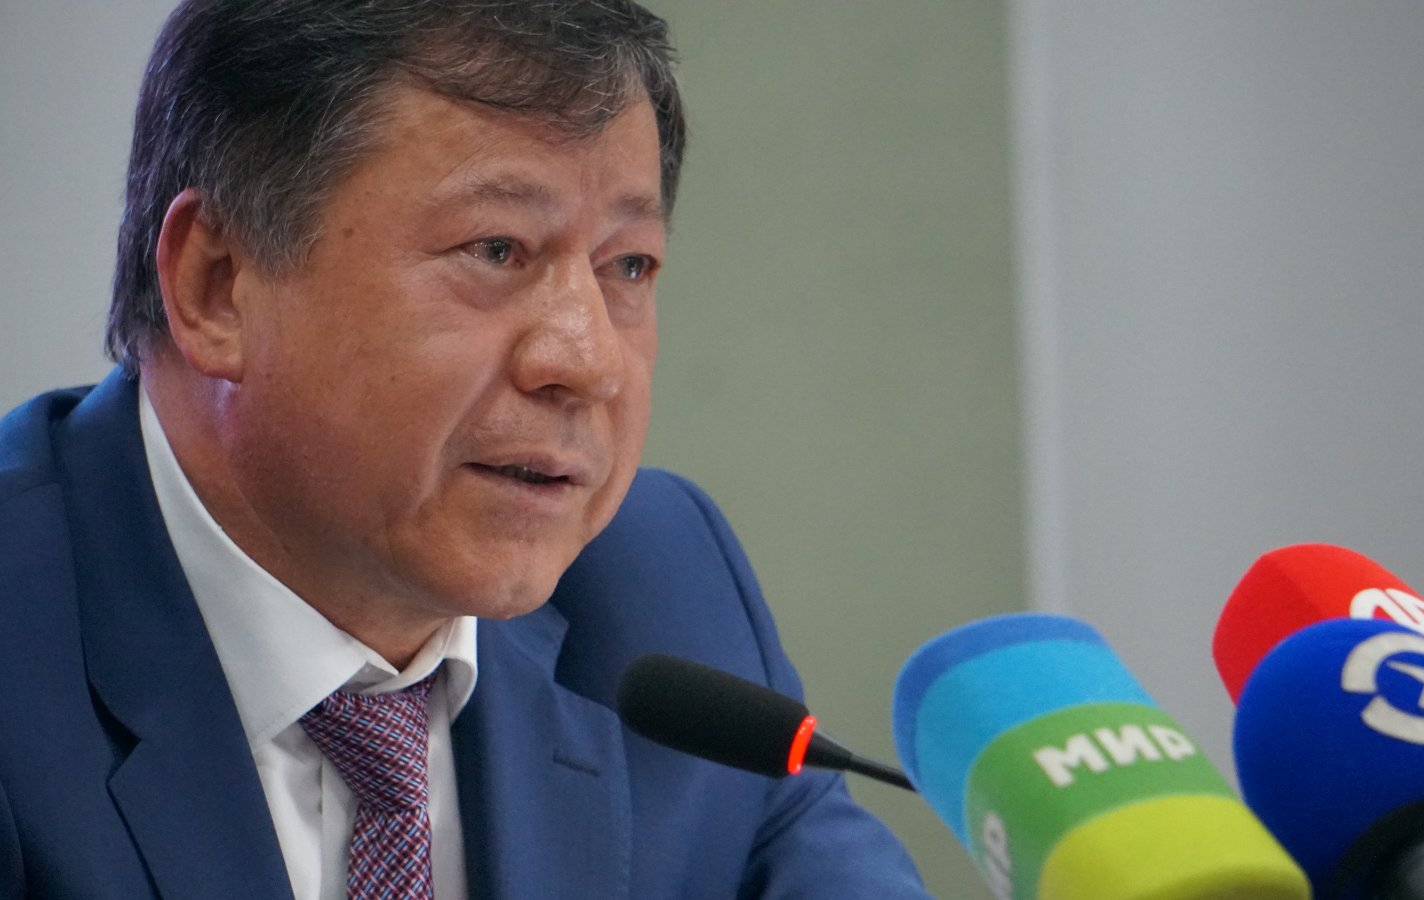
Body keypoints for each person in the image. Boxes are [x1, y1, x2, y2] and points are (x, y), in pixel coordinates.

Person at [0, 1, 931, 897]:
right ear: (218, 285)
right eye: (496, 249)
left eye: (629, 265)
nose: (588, 361)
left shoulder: (663, 587)